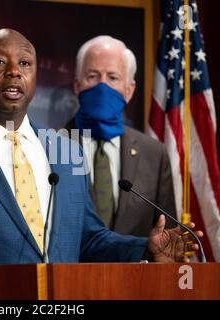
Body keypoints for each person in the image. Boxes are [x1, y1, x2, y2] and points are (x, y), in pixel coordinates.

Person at [0, 28, 201, 294]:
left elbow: (88, 239)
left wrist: (143, 248)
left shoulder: (67, 152)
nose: (14, 71)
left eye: (25, 63)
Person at [66, 35, 177, 237]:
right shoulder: (50, 146)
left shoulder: (154, 154)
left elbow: (166, 238)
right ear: (77, 85)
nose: (102, 87)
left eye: (113, 77)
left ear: (129, 90)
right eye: (92, 76)